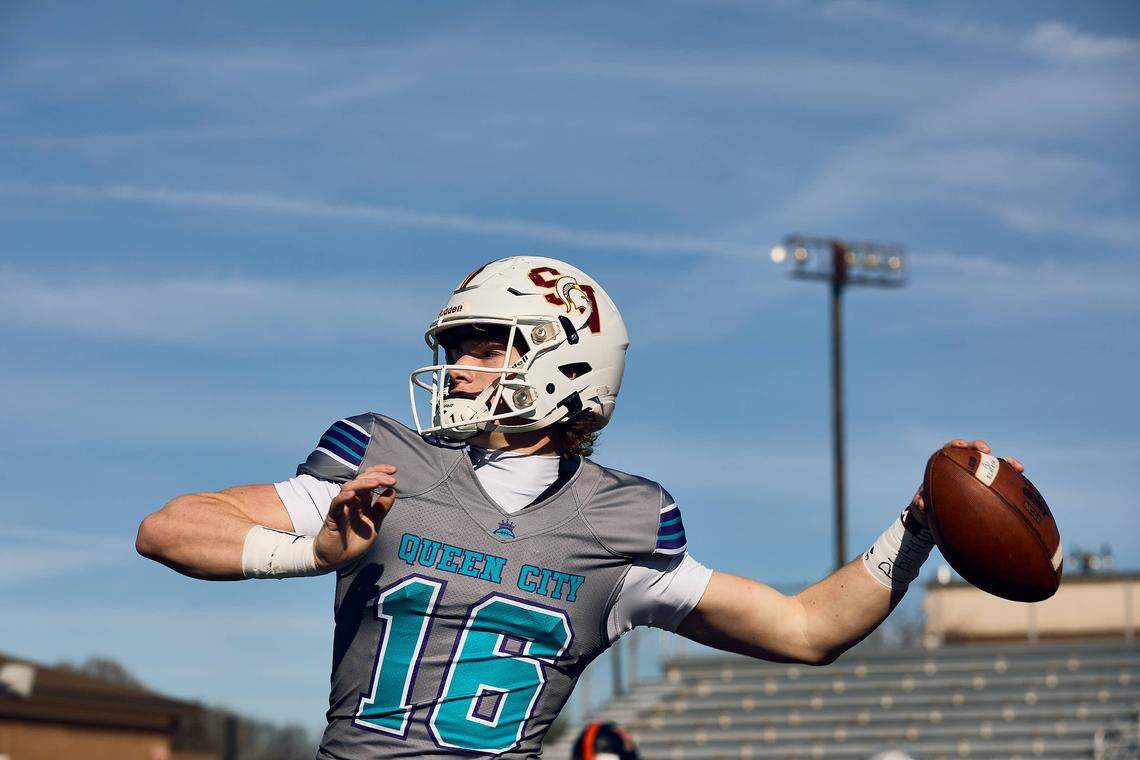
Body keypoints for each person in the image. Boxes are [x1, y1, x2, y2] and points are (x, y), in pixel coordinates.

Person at [136, 256, 1023, 758]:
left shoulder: (623, 523)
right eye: (457, 350)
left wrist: (916, 531)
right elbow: (169, 528)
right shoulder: (382, 464)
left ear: (562, 361)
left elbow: (803, 630)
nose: (459, 370)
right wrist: (316, 552)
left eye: (484, 347)